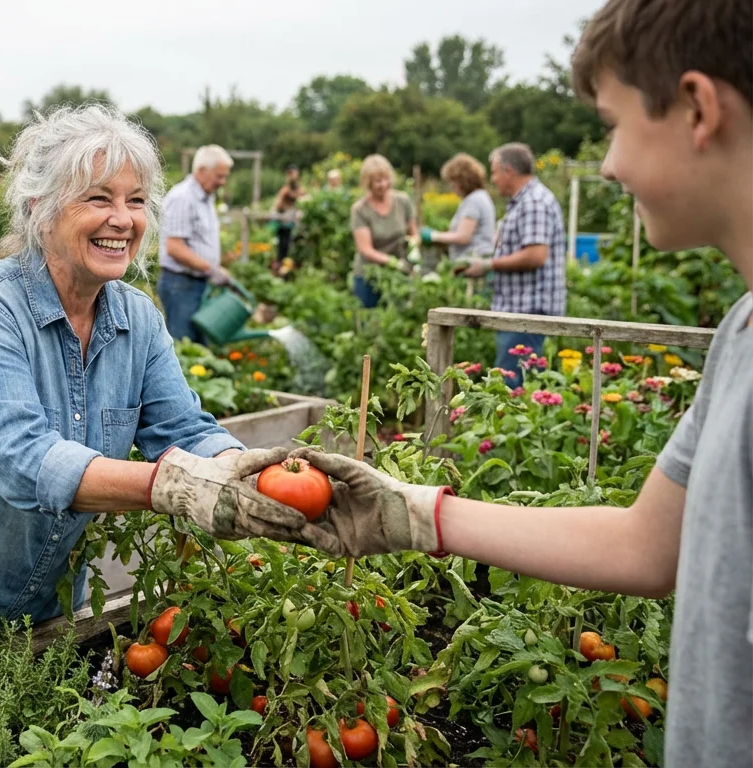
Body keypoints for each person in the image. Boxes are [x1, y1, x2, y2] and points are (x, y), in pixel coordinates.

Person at [294, 1, 752, 764]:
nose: (606, 164)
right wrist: (410, 513)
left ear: (698, 107)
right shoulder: (739, 333)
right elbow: (647, 546)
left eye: (611, 123)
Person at [0, 105, 336, 675]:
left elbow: (183, 430)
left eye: (135, 201)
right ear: (40, 208)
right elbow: (24, 460)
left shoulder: (138, 320)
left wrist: (259, 476)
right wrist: (176, 487)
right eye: (98, 198)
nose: (123, 219)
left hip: (47, 611)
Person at [456, 143, 566, 381]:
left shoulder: (533, 202)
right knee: (519, 383)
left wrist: (488, 265)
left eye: (494, 172)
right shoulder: (524, 201)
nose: (493, 179)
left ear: (509, 170)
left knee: (514, 386)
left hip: (527, 312)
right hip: (519, 309)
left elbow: (536, 255)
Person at [156, 145, 233, 344]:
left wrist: (214, 269)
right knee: (183, 344)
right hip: (180, 284)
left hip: (197, 283)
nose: (222, 182)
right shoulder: (183, 198)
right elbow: (174, 248)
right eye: (219, 176)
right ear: (201, 171)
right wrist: (210, 269)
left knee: (199, 345)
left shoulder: (205, 198)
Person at [349, 154, 416, 308]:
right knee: (371, 322)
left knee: (398, 318)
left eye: (387, 179)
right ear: (368, 182)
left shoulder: (402, 201)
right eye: (378, 181)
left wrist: (413, 253)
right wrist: (393, 262)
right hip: (369, 275)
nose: (384, 184)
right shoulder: (360, 209)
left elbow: (413, 232)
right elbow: (365, 249)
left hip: (401, 274)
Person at [421, 153, 496, 264]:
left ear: (462, 181)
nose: (451, 187)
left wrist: (433, 236)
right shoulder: (479, 197)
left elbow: (463, 237)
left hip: (472, 262)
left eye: (452, 182)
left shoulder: (474, 200)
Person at [270, 164, 308, 272]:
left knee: (295, 244)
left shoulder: (299, 189)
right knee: (283, 246)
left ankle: (291, 267)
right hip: (285, 222)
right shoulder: (285, 190)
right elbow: (278, 204)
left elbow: (303, 197)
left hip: (296, 222)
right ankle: (281, 267)